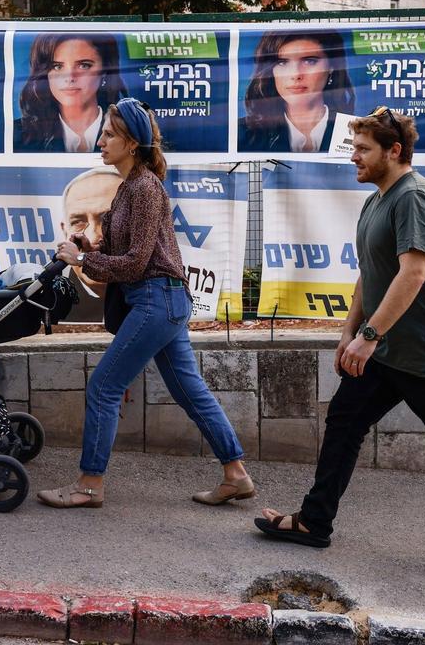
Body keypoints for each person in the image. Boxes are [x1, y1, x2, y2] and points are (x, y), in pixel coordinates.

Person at [254, 106, 425, 579]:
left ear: (394, 151)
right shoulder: (378, 198)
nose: (353, 158)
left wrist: (370, 335)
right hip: (384, 349)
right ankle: (314, 522)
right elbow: (369, 272)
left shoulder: (413, 196)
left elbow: (413, 272)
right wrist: (349, 332)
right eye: (353, 148)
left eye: (363, 149)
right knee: (344, 420)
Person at [39, 98, 254, 508]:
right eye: (101, 133)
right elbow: (124, 249)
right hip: (162, 301)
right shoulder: (128, 189)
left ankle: (89, 484)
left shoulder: (144, 188)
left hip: (156, 299)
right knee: (191, 392)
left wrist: (83, 259)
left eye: (108, 135)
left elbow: (137, 262)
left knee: (103, 386)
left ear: (132, 142)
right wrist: (90, 244)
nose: (100, 141)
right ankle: (236, 474)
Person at [239, 30, 355, 152]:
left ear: (331, 67)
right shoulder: (243, 133)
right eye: (282, 62)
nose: (295, 74)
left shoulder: (355, 131)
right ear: (271, 71)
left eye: (310, 61)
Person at [15, 33, 127, 153]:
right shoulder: (18, 134)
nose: (70, 77)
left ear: (105, 71)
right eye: (57, 66)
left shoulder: (130, 129)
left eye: (84, 65)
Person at [59, 166, 124, 322]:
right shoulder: (60, 303)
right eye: (79, 222)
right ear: (65, 230)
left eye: (107, 219)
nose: (93, 236)